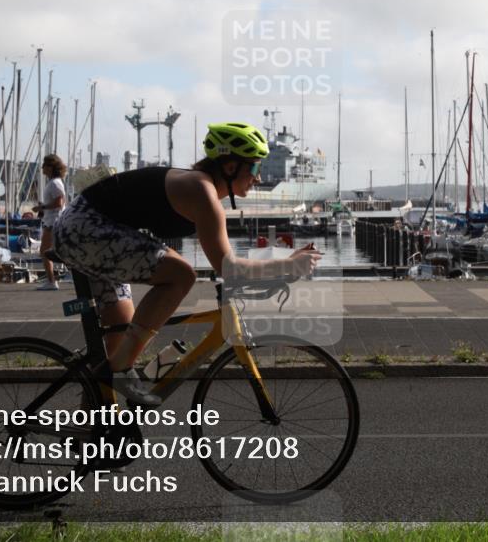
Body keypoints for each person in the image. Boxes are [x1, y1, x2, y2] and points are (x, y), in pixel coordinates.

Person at [53, 122, 321, 405]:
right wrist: (287, 266)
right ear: (230, 167)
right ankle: (119, 370)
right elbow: (227, 268)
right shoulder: (201, 192)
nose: (258, 177)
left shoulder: (201, 188)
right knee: (181, 275)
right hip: (84, 230)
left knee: (118, 341)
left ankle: (92, 431)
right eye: (254, 168)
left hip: (87, 228)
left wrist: (285, 261)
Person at [34, 154, 67, 291]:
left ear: (50, 167)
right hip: (53, 220)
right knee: (59, 251)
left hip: (53, 222)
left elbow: (59, 202)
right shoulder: (55, 182)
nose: (42, 168)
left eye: (44, 165)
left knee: (44, 251)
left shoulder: (54, 183)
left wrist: (42, 207)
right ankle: (52, 280)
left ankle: (51, 281)